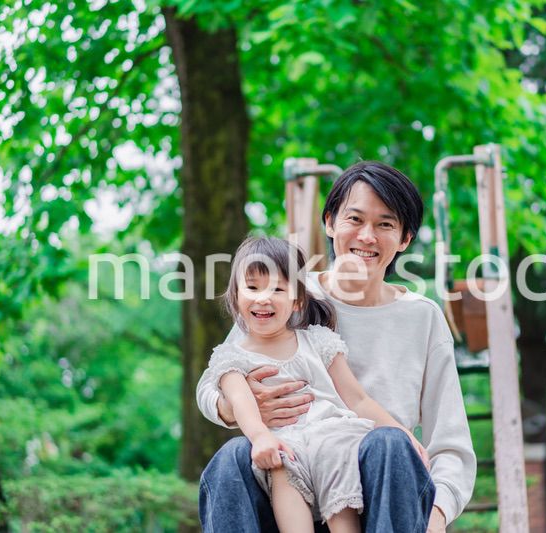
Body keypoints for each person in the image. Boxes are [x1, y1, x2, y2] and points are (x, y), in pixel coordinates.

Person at [197, 161, 476, 533]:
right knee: (231, 457)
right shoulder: (286, 294)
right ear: (329, 222)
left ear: (405, 239)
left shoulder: (423, 318)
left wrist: (435, 517)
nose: (367, 236)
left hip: (385, 498)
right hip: (293, 486)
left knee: (390, 443)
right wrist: (236, 406)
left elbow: (451, 445)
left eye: (385, 224)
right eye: (354, 219)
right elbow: (211, 384)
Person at [205, 236, 430, 532]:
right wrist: (261, 437)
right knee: (281, 471)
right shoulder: (231, 357)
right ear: (235, 295)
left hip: (333, 437)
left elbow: (357, 399)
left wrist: (403, 433)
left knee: (338, 468)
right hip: (285, 445)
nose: (263, 298)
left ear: (297, 300)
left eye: (277, 289)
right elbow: (241, 403)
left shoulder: (317, 341)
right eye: (252, 287)